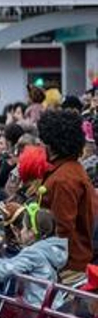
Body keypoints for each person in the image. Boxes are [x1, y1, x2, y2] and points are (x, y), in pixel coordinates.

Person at [0, 207, 67, 305]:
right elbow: (12, 263)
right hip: (51, 306)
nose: (21, 232)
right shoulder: (46, 251)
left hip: (36, 311)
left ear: (31, 233)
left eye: (23, 228)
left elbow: (6, 270)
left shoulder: (34, 254)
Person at [36, 109, 97, 279]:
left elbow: (64, 231)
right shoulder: (69, 170)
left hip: (68, 268)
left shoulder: (63, 179)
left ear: (51, 144)